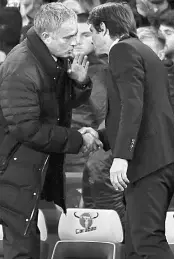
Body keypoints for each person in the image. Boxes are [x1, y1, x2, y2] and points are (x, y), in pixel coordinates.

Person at [0, 3, 102, 259]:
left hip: (32, 164)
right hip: (13, 167)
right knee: (21, 247)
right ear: (46, 36)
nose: (75, 43)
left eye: (77, 35)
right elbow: (28, 129)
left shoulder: (53, 57)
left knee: (28, 241)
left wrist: (80, 82)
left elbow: (58, 107)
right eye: (68, 37)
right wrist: (79, 139)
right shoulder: (20, 67)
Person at [80, 2, 174, 259]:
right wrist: (99, 137)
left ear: (103, 28)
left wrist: (122, 156)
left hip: (148, 165)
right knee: (134, 244)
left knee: (147, 243)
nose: (90, 39)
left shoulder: (122, 49)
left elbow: (134, 105)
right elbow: (132, 111)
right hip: (157, 161)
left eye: (90, 32)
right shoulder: (142, 49)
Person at [65, 12, 108, 173]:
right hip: (65, 149)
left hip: (85, 155)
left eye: (85, 35)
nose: (77, 41)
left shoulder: (99, 72)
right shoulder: (63, 66)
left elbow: (103, 115)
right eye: (73, 35)